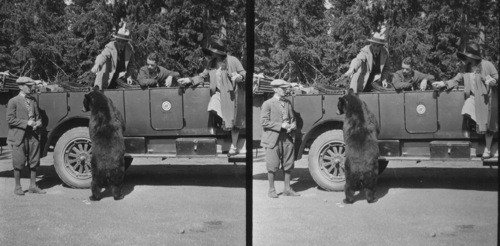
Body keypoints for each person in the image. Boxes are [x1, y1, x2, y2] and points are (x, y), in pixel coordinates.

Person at [178, 38, 246, 156]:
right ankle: (225, 127)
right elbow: (202, 76)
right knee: (213, 107)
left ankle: (234, 147)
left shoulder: (232, 60)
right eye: (212, 51)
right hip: (218, 93)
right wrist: (189, 79)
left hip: (231, 95)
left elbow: (244, 73)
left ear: (220, 52)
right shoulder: (211, 64)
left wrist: (240, 77)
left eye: (214, 51)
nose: (212, 53)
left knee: (232, 121)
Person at [432, 43, 498, 159]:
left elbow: (496, 77)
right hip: (473, 98)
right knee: (467, 110)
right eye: (466, 55)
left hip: (486, 99)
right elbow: (455, 80)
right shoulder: (465, 68)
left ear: (474, 56)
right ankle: (477, 143)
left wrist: (493, 81)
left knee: (488, 125)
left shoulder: (487, 65)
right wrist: (443, 83)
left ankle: (487, 150)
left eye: (469, 56)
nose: (467, 58)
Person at [260, 79, 300, 198]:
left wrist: (293, 125)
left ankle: (287, 189)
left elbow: (293, 118)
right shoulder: (267, 104)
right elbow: (264, 122)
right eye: (283, 89)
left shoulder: (287, 103)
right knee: (272, 165)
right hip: (273, 138)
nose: (285, 90)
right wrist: (280, 125)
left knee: (288, 164)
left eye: (286, 88)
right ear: (275, 89)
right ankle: (271, 190)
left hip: (287, 137)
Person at [7, 77, 46, 195]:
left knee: (34, 161)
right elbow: (10, 120)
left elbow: (38, 117)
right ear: (20, 87)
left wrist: (38, 123)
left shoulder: (33, 100)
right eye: (28, 86)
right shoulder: (13, 101)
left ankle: (33, 186)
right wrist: (26, 123)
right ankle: (18, 187)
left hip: (33, 135)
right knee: (18, 162)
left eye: (31, 86)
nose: (31, 88)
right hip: (19, 136)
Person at [91, 22, 135, 89]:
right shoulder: (110, 46)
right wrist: (97, 64)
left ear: (126, 42)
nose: (120, 43)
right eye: (118, 41)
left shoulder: (129, 48)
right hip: (107, 76)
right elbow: (102, 56)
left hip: (120, 77)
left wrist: (129, 76)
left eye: (122, 42)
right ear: (116, 39)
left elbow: (131, 64)